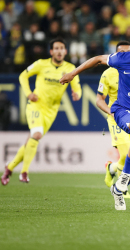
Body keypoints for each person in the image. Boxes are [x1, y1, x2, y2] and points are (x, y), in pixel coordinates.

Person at [60, 24, 130, 210]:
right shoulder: (123, 59)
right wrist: (73, 73)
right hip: (123, 110)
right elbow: (98, 59)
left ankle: (119, 189)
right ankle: (122, 177)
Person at [1, 38, 82, 185]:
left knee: (31, 140)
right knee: (36, 134)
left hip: (52, 111)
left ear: (65, 51)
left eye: (61, 48)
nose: (59, 51)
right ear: (51, 52)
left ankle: (9, 167)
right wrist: (28, 93)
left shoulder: (70, 67)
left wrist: (78, 93)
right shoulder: (41, 64)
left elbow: (77, 86)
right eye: (56, 48)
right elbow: (23, 75)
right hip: (36, 105)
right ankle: (24, 172)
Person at [96, 41, 130, 199]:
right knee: (126, 153)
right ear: (116, 55)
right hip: (116, 118)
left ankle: (111, 168)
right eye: (122, 53)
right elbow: (99, 100)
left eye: (128, 53)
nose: (125, 56)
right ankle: (122, 188)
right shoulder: (108, 74)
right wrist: (110, 111)